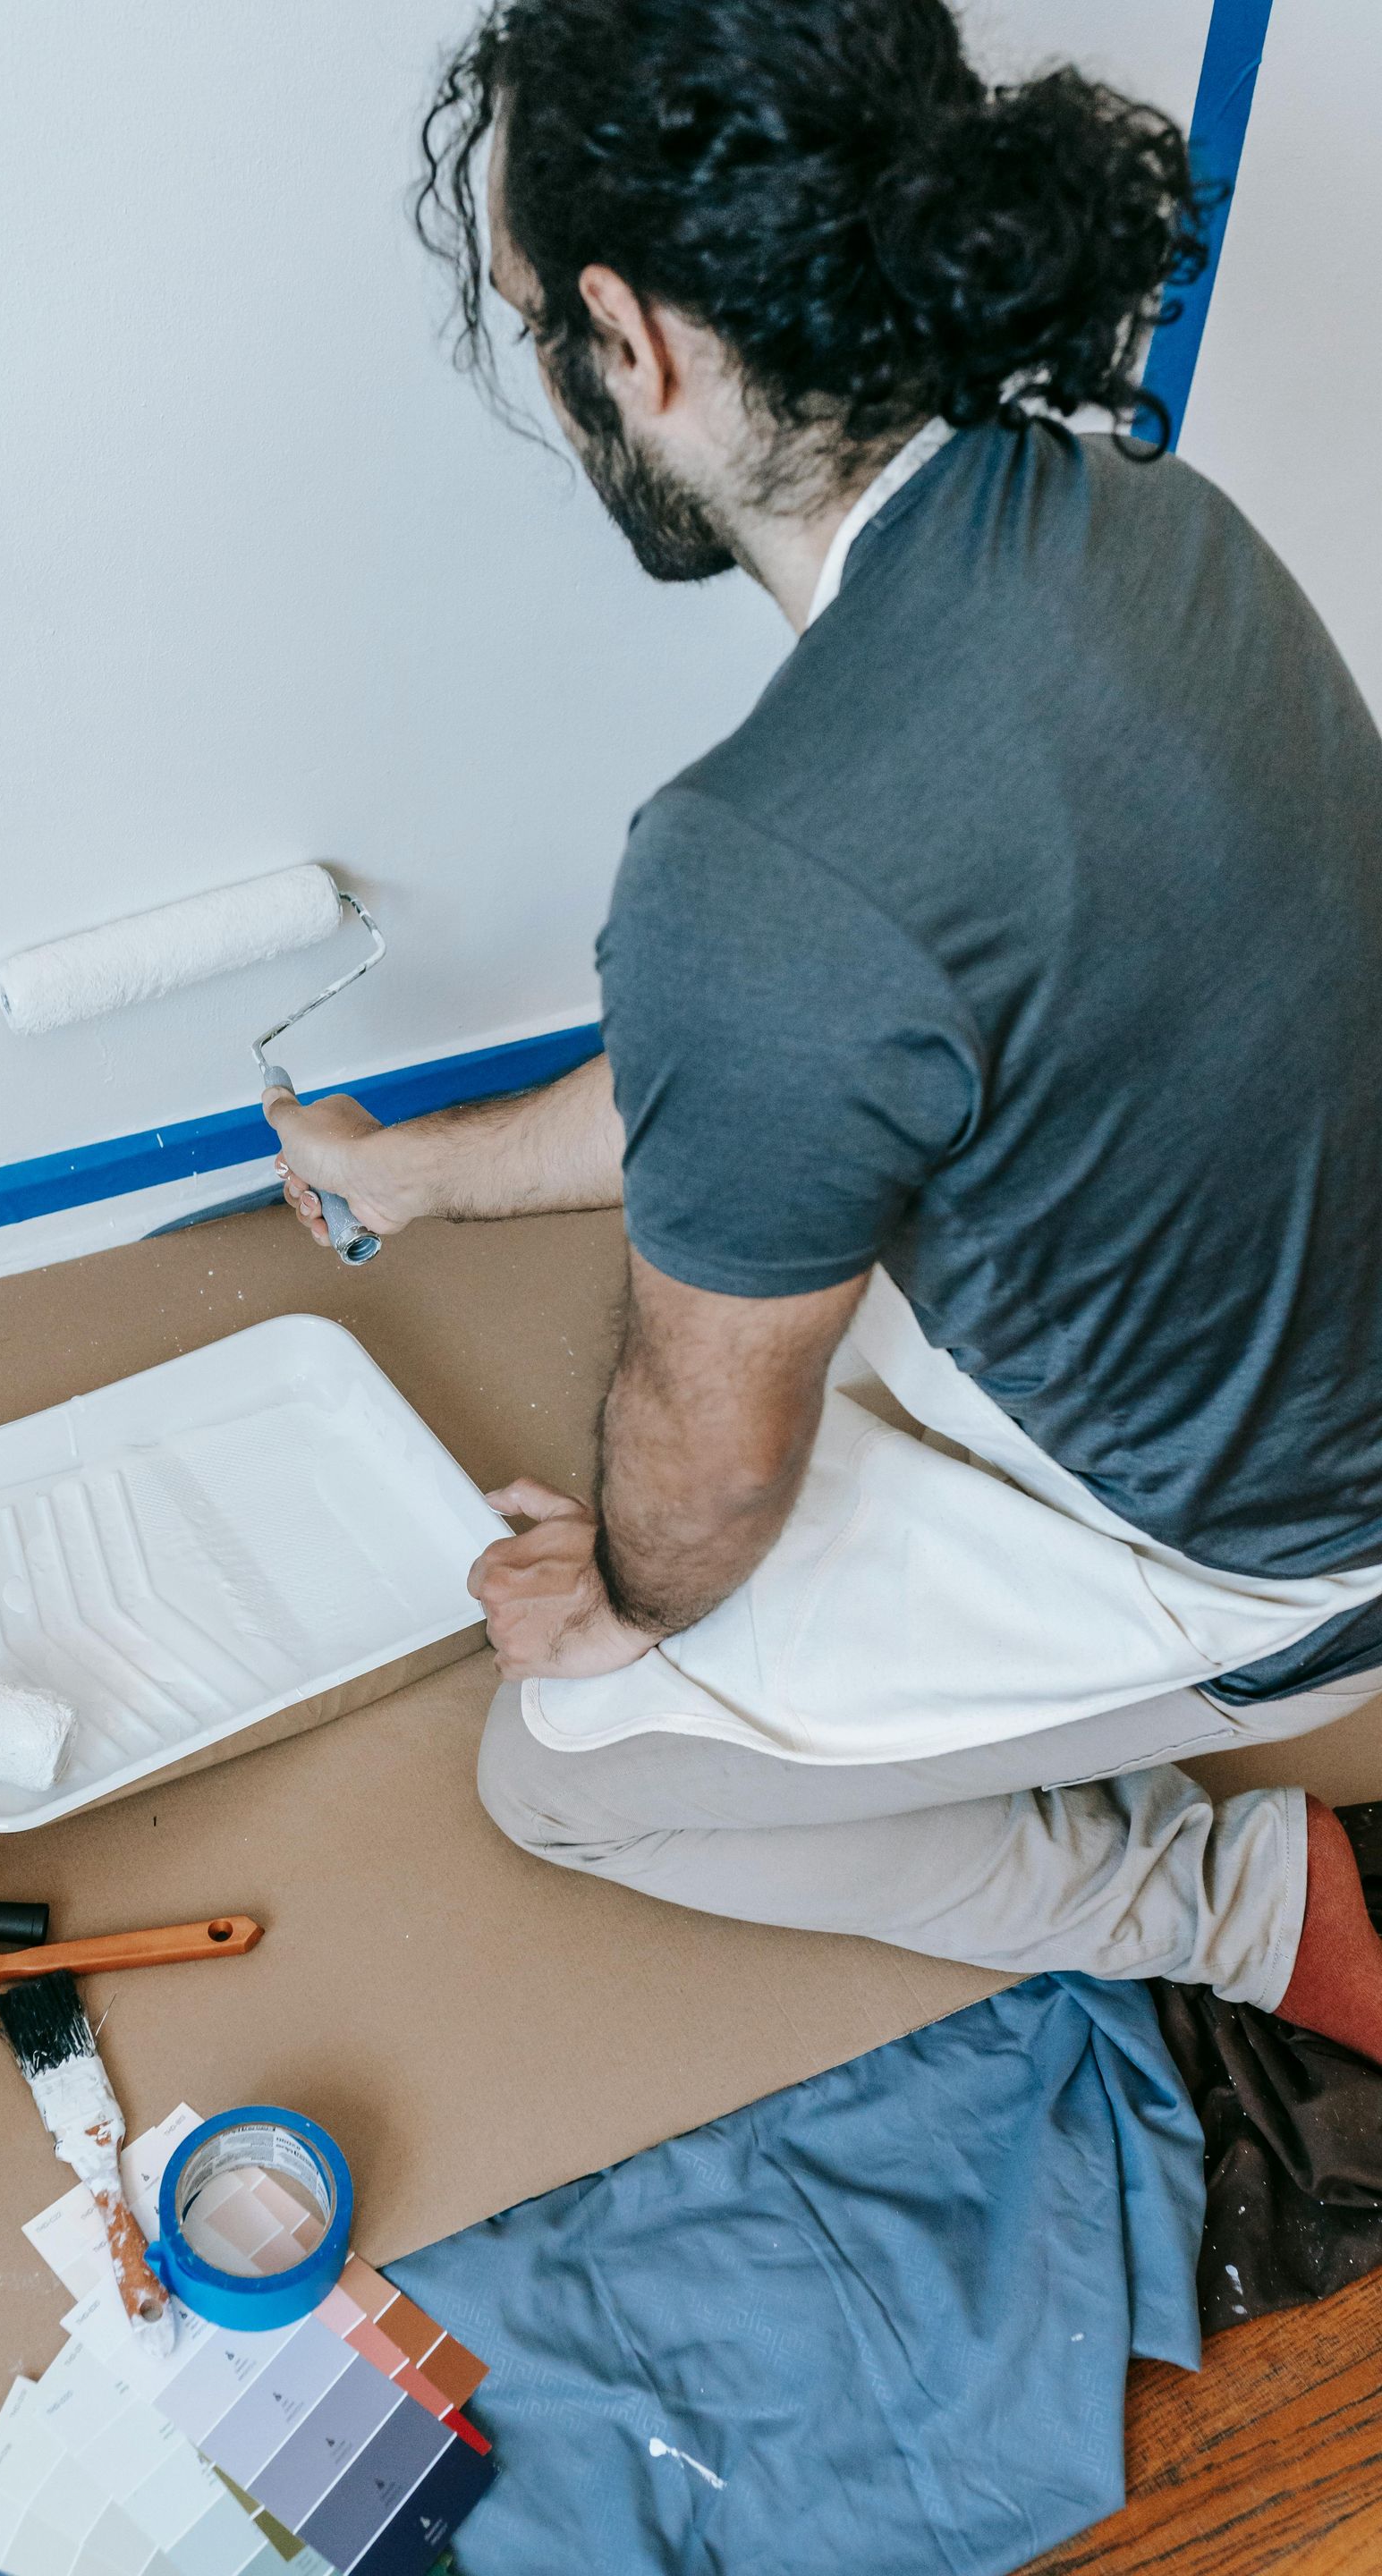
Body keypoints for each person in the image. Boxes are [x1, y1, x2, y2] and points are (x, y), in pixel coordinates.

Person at [265, 0, 1382, 2057]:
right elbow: (797, 1051)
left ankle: (1235, 1904)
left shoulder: (759, 868)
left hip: (1289, 1551)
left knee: (561, 1767)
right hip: (1299, 1335)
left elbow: (705, 1488)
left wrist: (616, 1593)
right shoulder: (1143, 512)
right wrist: (409, 1174)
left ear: (634, 340)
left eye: (534, 324)